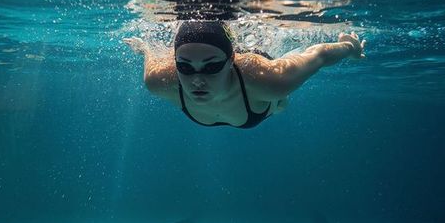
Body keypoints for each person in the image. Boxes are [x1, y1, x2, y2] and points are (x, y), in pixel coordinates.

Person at [123, 21, 366, 129]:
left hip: (258, 97)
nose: (197, 80)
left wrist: (350, 48)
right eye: (185, 67)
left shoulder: (271, 80)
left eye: (211, 67)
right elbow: (151, 58)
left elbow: (320, 55)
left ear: (231, 60)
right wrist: (144, 48)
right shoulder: (158, 81)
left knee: (280, 104)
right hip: (251, 101)